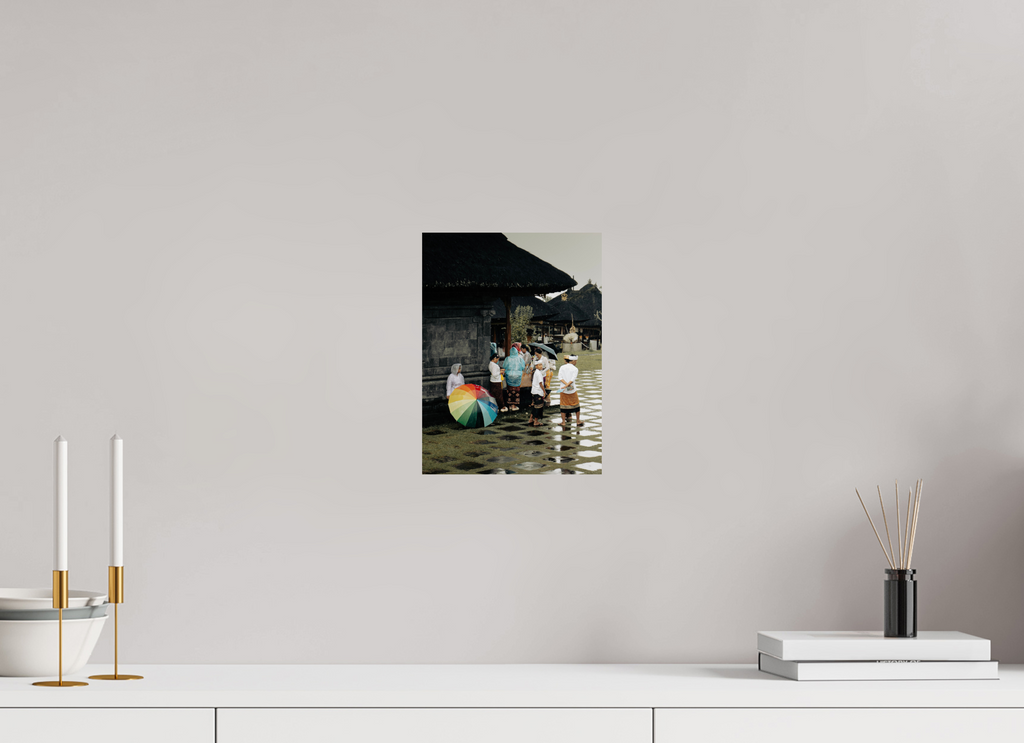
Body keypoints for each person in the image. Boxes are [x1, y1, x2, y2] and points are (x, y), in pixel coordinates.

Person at [558, 354, 582, 425]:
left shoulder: (562, 367)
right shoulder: (575, 369)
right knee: (576, 405)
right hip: (572, 389)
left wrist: (565, 385)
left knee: (563, 405)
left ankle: (563, 422)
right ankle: (578, 421)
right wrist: (568, 385)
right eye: (576, 361)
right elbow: (572, 379)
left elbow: (560, 377)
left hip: (563, 389)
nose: (576, 362)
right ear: (574, 361)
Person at [503, 343, 526, 411]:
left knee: (509, 390)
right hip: (517, 377)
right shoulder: (519, 359)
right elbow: (522, 367)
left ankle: (510, 405)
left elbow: (504, 366)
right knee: (516, 391)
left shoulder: (507, 359)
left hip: (509, 376)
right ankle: (514, 405)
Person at [529, 352, 548, 426]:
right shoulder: (538, 373)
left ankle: (531, 419)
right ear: (536, 366)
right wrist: (544, 391)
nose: (541, 366)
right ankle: (536, 421)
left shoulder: (536, 372)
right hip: (538, 391)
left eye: (541, 365)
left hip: (535, 391)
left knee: (535, 406)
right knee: (538, 407)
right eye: (539, 365)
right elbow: (540, 383)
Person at [519, 345, 535, 417]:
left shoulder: (527, 354)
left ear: (524, 348)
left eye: (522, 349)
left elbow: (526, 363)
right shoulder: (524, 354)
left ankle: (527, 401)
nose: (521, 350)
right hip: (525, 370)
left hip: (526, 370)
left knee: (526, 385)